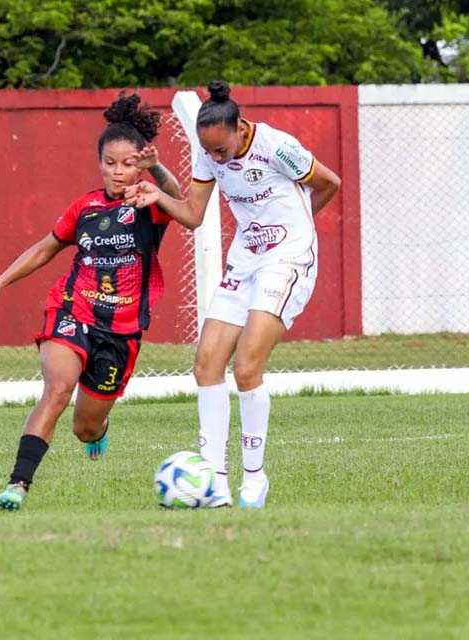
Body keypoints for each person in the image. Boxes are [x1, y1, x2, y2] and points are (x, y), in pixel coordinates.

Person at [0, 92, 195, 511]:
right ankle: (18, 484)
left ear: (139, 163)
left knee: (85, 429)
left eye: (128, 163)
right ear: (100, 162)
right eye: (110, 163)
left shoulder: (150, 203)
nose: (118, 171)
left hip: (123, 329)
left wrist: (156, 171)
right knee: (56, 389)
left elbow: (179, 196)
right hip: (73, 310)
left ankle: (99, 427)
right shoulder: (85, 208)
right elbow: (45, 247)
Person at [124, 80, 342, 509]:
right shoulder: (208, 155)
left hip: (288, 258)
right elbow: (192, 214)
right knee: (206, 364)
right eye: (211, 152)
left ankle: (255, 480)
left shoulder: (277, 146)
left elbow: (329, 183)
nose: (216, 158)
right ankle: (213, 481)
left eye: (222, 150)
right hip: (245, 260)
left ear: (241, 128)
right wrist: (156, 195)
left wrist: (299, 230)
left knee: (245, 368)